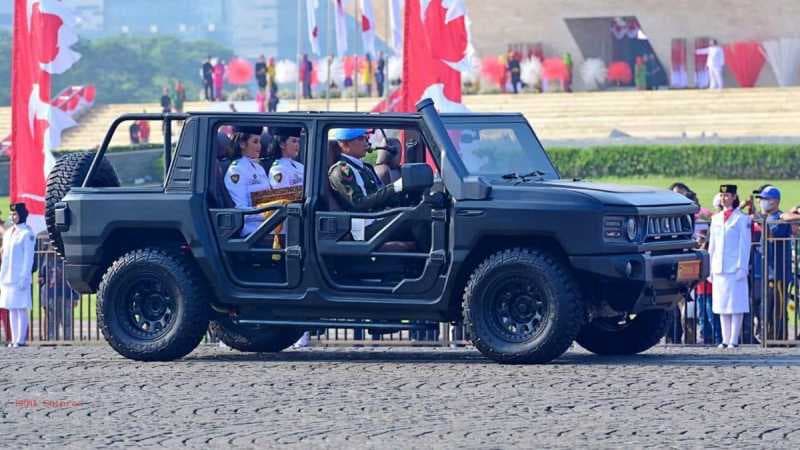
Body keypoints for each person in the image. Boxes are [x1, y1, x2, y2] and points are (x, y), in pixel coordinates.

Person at [328, 128, 404, 240]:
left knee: (418, 214)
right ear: (344, 144)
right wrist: (396, 187)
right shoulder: (341, 170)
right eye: (360, 139)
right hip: (363, 227)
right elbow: (359, 203)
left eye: (366, 138)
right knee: (415, 222)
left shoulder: (366, 167)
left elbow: (380, 196)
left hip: (377, 218)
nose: (366, 142)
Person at [708, 185, 751, 349]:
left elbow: (744, 245)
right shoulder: (715, 218)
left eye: (727, 195)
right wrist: (710, 267)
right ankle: (725, 339)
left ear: (734, 197)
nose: (724, 198)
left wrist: (742, 266)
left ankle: (733, 339)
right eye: (722, 195)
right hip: (719, 266)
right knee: (722, 305)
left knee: (736, 304)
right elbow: (712, 245)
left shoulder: (741, 218)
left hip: (735, 266)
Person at [755, 186, 792, 340]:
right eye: (761, 199)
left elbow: (772, 236)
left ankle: (778, 337)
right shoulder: (768, 218)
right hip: (768, 270)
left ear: (775, 201)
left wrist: (761, 220)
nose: (762, 202)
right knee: (767, 307)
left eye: (766, 199)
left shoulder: (779, 218)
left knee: (778, 307)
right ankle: (769, 336)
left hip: (778, 271)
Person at [0, 203, 36, 347]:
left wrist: (24, 277)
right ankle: (14, 339)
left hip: (20, 276)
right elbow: (5, 257)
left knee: (21, 308)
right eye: (11, 214)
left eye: (15, 214)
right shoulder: (9, 233)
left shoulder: (27, 233)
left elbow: (28, 258)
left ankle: (21, 340)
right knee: (12, 308)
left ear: (22, 215)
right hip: (8, 276)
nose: (12, 217)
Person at [224, 126, 271, 237]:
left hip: (269, 224)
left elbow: (269, 197)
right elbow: (241, 210)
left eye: (259, 142)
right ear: (242, 144)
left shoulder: (259, 167)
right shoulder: (236, 171)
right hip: (252, 231)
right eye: (255, 142)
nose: (259, 146)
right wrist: (267, 212)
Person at [39, 251, 79, 340]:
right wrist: (43, 298)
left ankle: (67, 339)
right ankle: (51, 339)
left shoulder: (69, 256)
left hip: (66, 293)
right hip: (51, 293)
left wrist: (76, 296)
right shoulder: (46, 258)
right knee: (52, 320)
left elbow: (75, 277)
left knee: (67, 319)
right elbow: (41, 279)